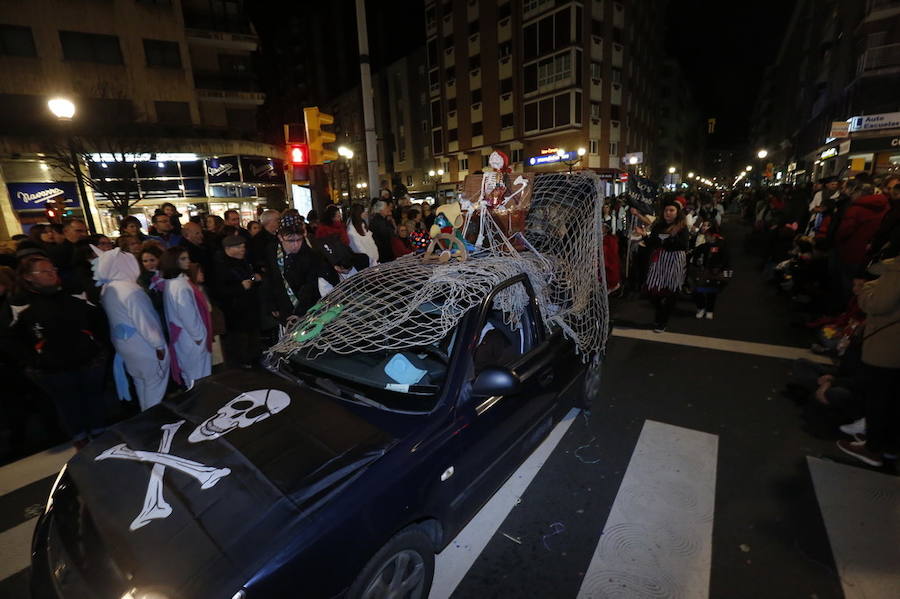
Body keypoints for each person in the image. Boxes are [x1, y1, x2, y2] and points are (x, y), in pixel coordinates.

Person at [0, 255, 108, 448]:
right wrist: (34, 361)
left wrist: (97, 346)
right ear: (28, 277)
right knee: (68, 405)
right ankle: (80, 440)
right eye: (44, 271)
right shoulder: (19, 302)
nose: (52, 274)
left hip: (88, 360)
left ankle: (102, 438)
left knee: (94, 400)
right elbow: (9, 338)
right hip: (51, 369)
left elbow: (97, 318)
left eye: (53, 270)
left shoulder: (73, 292)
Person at [837, 257, 900, 467]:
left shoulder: (896, 270)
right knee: (890, 398)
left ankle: (873, 447)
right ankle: (888, 448)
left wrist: (865, 290)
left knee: (880, 397)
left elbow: (878, 303)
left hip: (888, 344)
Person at [93, 248, 169, 411]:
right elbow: (145, 321)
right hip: (144, 346)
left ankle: (146, 421)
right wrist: (159, 345)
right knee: (154, 385)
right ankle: (154, 426)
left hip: (126, 346)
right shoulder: (130, 290)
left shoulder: (108, 289)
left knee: (141, 384)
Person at [160, 247, 212, 388]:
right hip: (190, 338)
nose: (188, 261)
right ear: (173, 261)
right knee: (199, 379)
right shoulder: (179, 285)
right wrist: (199, 336)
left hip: (185, 337)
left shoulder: (174, 282)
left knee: (193, 377)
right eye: (183, 258)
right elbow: (187, 314)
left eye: (187, 257)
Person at [212, 235, 261, 369]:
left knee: (252, 337)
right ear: (228, 249)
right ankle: (243, 364)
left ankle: (254, 359)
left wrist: (254, 278)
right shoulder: (220, 266)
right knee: (240, 340)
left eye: (243, 246)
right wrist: (240, 287)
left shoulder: (243, 261)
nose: (242, 249)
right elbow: (219, 290)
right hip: (235, 311)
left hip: (249, 308)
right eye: (238, 247)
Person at [640, 199, 689, 332]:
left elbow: (684, 245)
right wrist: (644, 236)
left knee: (671, 293)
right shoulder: (658, 225)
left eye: (672, 210)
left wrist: (671, 238)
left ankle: (662, 321)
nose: (668, 213)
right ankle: (660, 314)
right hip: (660, 261)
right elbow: (652, 243)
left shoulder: (682, 227)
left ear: (677, 212)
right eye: (666, 210)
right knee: (652, 292)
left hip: (675, 261)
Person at [262, 214, 322, 324]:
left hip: (305, 308)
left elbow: (310, 285)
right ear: (280, 237)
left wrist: (300, 312)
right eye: (290, 240)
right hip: (282, 306)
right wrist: (271, 305)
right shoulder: (272, 250)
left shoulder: (310, 255)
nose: (295, 245)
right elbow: (269, 278)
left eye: (299, 240)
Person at [689, 220, 729, 320]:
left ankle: (709, 310)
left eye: (708, 235)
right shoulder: (702, 247)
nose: (706, 237)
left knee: (711, 293)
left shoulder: (721, 247)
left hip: (714, 273)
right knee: (697, 291)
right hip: (701, 273)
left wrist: (721, 269)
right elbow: (693, 255)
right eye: (706, 235)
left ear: (714, 236)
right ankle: (701, 308)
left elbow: (726, 260)